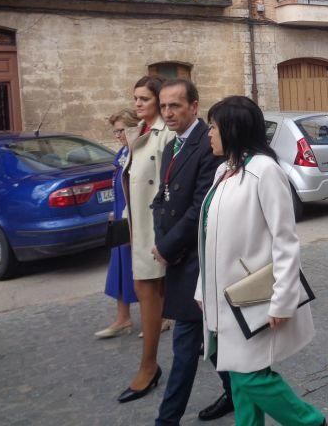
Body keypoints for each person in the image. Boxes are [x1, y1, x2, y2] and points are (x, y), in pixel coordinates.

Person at [196, 96, 327, 426]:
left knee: (250, 377)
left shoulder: (265, 171)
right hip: (222, 298)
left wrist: (283, 301)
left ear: (233, 128)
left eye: (213, 127)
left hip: (252, 299)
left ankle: (310, 421)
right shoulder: (224, 171)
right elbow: (209, 237)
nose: (208, 134)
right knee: (238, 376)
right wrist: (202, 289)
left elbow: (285, 240)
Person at [151, 80, 234, 424]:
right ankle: (234, 392)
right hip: (176, 255)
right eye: (164, 107)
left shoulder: (207, 146)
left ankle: (166, 419)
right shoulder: (172, 146)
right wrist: (160, 240)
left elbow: (200, 208)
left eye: (175, 106)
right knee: (210, 339)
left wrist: (169, 247)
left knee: (185, 345)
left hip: (198, 261)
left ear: (194, 106)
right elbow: (162, 199)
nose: (167, 113)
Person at [118, 75, 175, 404]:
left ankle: (148, 366)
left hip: (157, 231)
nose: (137, 104)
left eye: (144, 99)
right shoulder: (137, 134)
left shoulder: (164, 137)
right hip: (138, 229)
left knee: (151, 293)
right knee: (149, 293)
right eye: (135, 98)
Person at [95, 109, 139, 339]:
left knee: (144, 271)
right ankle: (123, 318)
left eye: (121, 130)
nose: (118, 135)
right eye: (115, 131)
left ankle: (161, 316)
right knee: (119, 266)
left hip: (135, 219)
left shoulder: (138, 153)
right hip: (120, 218)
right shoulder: (122, 153)